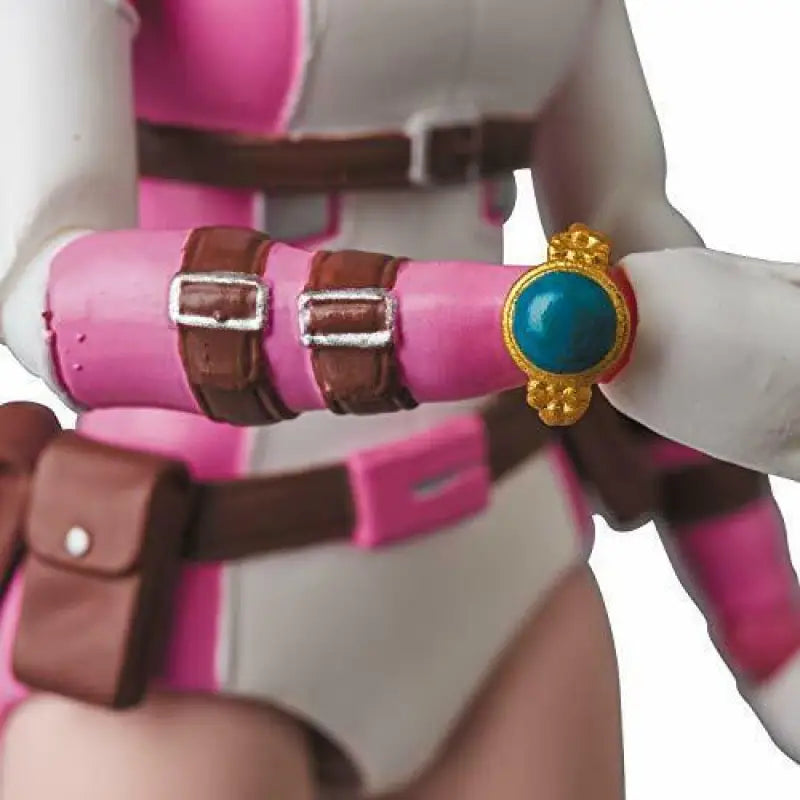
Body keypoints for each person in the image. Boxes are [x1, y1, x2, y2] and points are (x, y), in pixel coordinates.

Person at [0, 1, 798, 798]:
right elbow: (52, 290)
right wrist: (509, 323)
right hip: (193, 598)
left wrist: (767, 623)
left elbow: (645, 262)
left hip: (506, 569)